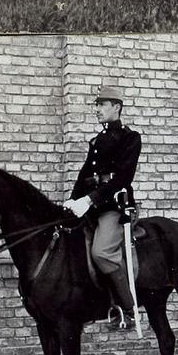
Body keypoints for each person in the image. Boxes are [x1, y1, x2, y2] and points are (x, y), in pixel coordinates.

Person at [63, 88, 143, 329]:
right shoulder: (97, 141)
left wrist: (89, 200)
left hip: (113, 208)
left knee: (102, 253)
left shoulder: (130, 137)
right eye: (95, 105)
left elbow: (122, 178)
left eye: (102, 104)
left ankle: (128, 310)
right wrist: (72, 199)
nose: (96, 109)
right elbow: (84, 175)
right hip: (92, 207)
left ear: (116, 107)